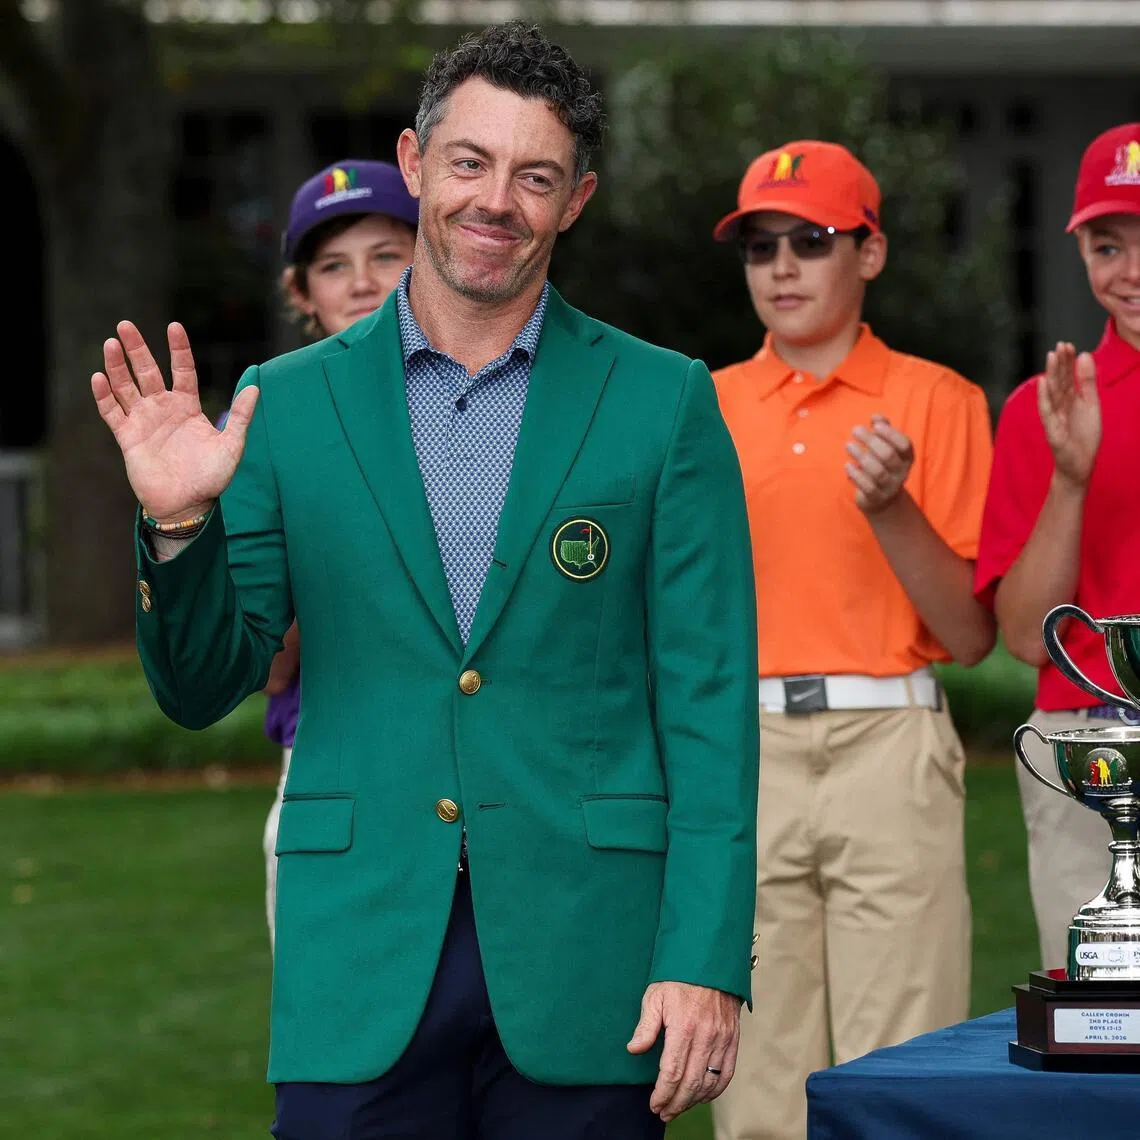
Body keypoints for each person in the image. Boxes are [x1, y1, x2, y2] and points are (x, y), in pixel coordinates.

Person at [90, 22, 759, 1140]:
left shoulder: (664, 400)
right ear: (414, 163)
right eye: (470, 162)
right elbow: (201, 686)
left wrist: (704, 957)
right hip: (360, 952)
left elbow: (709, 703)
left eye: (535, 176)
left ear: (576, 200)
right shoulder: (285, 403)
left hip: (587, 953)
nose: (496, 200)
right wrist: (177, 521)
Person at [708, 140, 995, 1140]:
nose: (781, 267)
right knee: (753, 1084)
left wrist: (891, 507)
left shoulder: (942, 401)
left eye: (812, 240)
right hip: (743, 753)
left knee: (904, 1076)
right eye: (760, 247)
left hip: (890, 747)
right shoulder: (702, 407)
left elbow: (970, 633)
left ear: (869, 253)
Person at [975, 121, 1140, 973]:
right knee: (1102, 1024)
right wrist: (1071, 478)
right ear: (1080, 252)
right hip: (1087, 754)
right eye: (1109, 246)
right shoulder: (1046, 408)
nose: (1132, 271)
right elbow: (1022, 635)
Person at [253, 158, 417, 946]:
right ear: (300, 293)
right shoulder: (261, 424)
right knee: (333, 1003)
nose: (361, 283)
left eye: (386, 255)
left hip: (493, 766)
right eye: (332, 265)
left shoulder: (500, 404)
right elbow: (264, 664)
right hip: (328, 762)